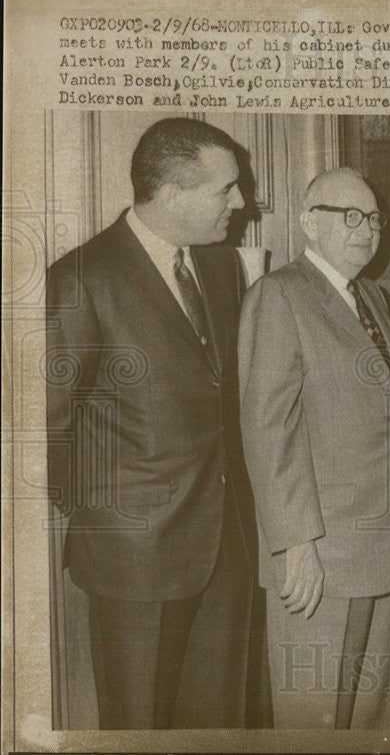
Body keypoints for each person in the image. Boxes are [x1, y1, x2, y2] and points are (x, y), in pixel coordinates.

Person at [46, 117, 260, 729]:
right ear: (172, 193)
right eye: (225, 189)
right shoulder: (81, 279)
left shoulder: (221, 269)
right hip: (134, 563)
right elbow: (43, 428)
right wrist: (108, 515)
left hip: (227, 549)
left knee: (218, 729)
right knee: (137, 727)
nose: (240, 202)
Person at [239, 168, 390, 729]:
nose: (366, 229)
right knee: (315, 718)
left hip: (386, 548)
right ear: (308, 223)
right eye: (349, 216)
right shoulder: (279, 295)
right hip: (322, 556)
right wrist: (294, 543)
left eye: (373, 218)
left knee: (374, 717)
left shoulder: (369, 295)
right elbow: (266, 427)